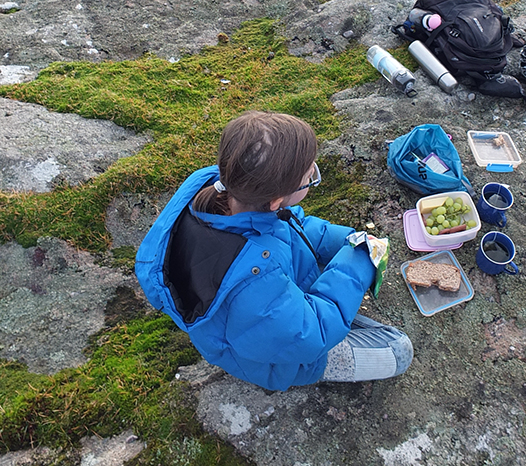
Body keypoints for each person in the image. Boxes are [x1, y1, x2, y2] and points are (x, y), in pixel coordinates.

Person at [135, 110, 413, 391]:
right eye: (309, 176)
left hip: (262, 317)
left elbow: (292, 224)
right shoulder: (255, 281)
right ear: (276, 201)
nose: (312, 173)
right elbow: (311, 334)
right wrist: (361, 260)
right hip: (276, 357)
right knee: (399, 350)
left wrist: (350, 239)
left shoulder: (221, 189)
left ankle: (326, 305)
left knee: (334, 303)